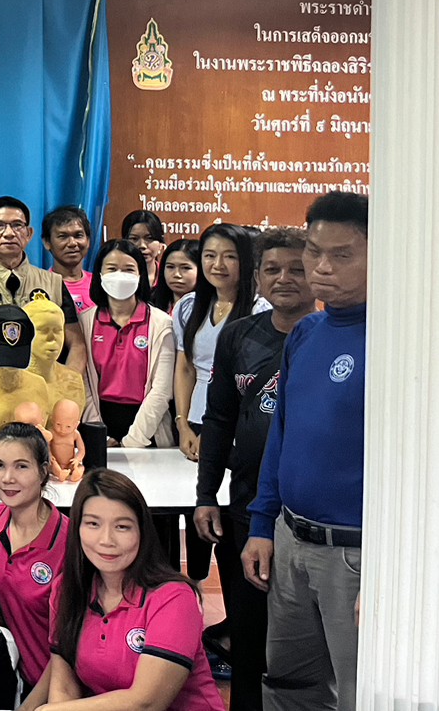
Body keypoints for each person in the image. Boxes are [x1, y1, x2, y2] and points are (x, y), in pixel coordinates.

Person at [243, 192, 367, 711]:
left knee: (358, 692)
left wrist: (388, 569)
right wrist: (262, 523)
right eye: (315, 251)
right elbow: (282, 436)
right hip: (290, 540)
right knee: (288, 686)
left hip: (356, 556)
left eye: (342, 255)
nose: (322, 267)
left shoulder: (402, 341)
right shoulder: (307, 332)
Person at [194, 228, 314, 711]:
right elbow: (219, 419)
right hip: (245, 508)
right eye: (272, 269)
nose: (284, 278)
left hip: (309, 514)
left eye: (297, 269)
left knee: (305, 647)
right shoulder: (238, 336)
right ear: (258, 278)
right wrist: (206, 495)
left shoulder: (332, 337)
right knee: (248, 635)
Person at [44, 469, 223, 711]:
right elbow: (64, 688)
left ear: (141, 531)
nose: (106, 540)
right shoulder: (67, 590)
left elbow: (146, 703)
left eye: (122, 527)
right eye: (93, 524)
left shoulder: (174, 598)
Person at [0, 422, 69, 707]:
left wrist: (31, 706)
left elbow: (69, 647)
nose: (7, 478)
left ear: (43, 471)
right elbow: (14, 590)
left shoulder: (69, 542)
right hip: (23, 678)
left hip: (63, 690)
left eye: (21, 466)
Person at [173, 223, 268, 463]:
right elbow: (186, 369)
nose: (218, 265)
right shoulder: (188, 306)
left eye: (230, 257)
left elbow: (256, 385)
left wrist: (218, 433)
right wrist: (183, 425)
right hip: (195, 424)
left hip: (238, 430)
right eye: (209, 255)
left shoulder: (260, 311)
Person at [0, 197, 85, 372]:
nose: (9, 233)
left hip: (42, 386)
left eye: (17, 225)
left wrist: (68, 381)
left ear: (29, 234)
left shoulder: (53, 283)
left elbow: (76, 344)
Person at [79, 240, 176, 448]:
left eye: (128, 269)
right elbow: (82, 382)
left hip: (148, 427)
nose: (120, 275)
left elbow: (162, 390)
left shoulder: (161, 323)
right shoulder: (85, 322)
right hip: (100, 421)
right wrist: (98, 432)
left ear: (140, 274)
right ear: (100, 274)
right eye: (112, 269)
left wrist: (134, 440)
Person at [41, 206, 93, 318]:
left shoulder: (100, 284)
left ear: (88, 240)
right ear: (47, 242)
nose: (72, 243)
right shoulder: (39, 287)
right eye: (63, 237)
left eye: (78, 235)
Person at [149, 239, 200, 313]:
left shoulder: (212, 307)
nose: (176, 274)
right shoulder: (150, 303)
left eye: (185, 268)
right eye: (170, 267)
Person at [121, 210, 167, 282]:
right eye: (134, 238)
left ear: (160, 244)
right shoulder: (117, 278)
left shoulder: (168, 278)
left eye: (149, 238)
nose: (142, 245)